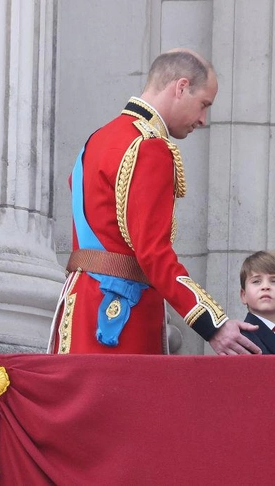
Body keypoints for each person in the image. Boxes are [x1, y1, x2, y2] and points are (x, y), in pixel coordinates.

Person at [48, 48, 261, 355]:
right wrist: (212, 324)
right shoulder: (150, 148)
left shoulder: (97, 139)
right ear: (181, 87)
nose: (203, 119)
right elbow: (153, 252)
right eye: (204, 105)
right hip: (119, 315)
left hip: (78, 305)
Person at [239, 251, 275, 354]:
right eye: (256, 281)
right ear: (244, 295)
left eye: (274, 281)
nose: (265, 286)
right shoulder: (241, 340)